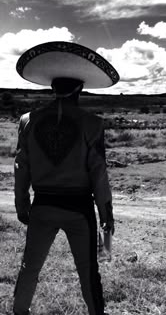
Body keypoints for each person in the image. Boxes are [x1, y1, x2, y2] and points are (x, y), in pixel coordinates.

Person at [13, 41, 120, 315]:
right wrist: (106, 213)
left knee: (30, 267)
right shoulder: (93, 124)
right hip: (79, 209)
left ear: (52, 89)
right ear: (80, 90)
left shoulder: (28, 120)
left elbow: (21, 166)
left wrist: (21, 204)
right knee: (88, 272)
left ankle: (19, 311)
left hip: (43, 206)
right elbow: (99, 172)